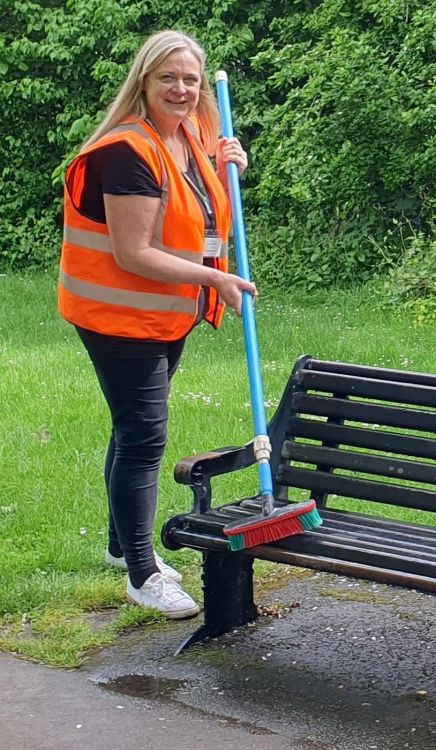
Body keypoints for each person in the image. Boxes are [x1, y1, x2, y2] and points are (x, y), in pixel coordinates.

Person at [58, 30, 257, 617]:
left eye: (190, 79)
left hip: (162, 317)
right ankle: (144, 573)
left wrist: (229, 173)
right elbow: (132, 251)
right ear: (143, 82)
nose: (180, 88)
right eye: (168, 77)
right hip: (118, 317)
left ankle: (122, 545)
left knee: (130, 429)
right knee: (145, 437)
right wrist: (214, 281)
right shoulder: (126, 152)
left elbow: (199, 217)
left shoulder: (189, 137)